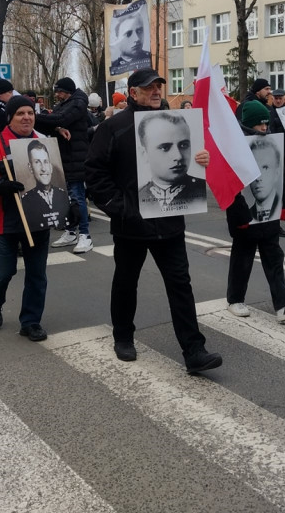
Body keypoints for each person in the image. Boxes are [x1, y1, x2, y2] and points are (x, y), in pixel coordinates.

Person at [85, 68, 222, 374]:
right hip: (131, 225)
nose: (157, 91)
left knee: (180, 285)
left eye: (159, 86)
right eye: (149, 88)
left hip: (170, 224)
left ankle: (194, 350)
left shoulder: (178, 124)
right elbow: (94, 173)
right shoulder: (115, 127)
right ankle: (123, 336)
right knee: (126, 282)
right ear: (133, 93)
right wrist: (120, 208)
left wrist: (202, 161)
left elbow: (193, 165)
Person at [0, 95, 54, 341]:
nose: (27, 117)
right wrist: (0, 185)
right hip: (4, 219)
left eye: (30, 112)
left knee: (37, 275)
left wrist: (67, 206)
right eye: (20, 113)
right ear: (10, 117)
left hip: (37, 219)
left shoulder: (44, 143)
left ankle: (30, 321)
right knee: (2, 273)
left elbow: (57, 176)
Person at [225, 102, 285, 323]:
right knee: (242, 259)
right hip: (245, 217)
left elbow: (281, 176)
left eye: (265, 123)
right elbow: (231, 186)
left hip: (269, 214)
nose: (263, 127)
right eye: (259, 124)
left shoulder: (273, 143)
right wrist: (238, 215)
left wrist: (284, 204)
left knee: (274, 258)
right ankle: (235, 299)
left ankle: (284, 304)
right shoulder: (234, 147)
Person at [34, 77, 93, 255]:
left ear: (67, 91)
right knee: (67, 198)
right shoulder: (64, 104)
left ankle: (85, 235)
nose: (57, 94)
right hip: (64, 158)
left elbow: (60, 119)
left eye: (59, 91)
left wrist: (36, 115)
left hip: (76, 158)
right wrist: (57, 128)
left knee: (77, 197)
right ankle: (70, 232)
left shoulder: (78, 104)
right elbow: (50, 124)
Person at [135, 111, 207, 216]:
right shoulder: (137, 196)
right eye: (165, 147)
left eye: (183, 145)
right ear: (144, 153)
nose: (178, 156)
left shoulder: (200, 191)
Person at [21, 140, 69, 231]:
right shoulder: (26, 201)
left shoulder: (62, 195)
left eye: (46, 162)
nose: (43, 168)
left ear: (50, 166)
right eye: (37, 162)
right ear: (30, 168)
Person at [110, 9, 151, 74]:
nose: (137, 38)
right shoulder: (113, 68)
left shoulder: (151, 59)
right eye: (128, 34)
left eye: (139, 31)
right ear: (117, 38)